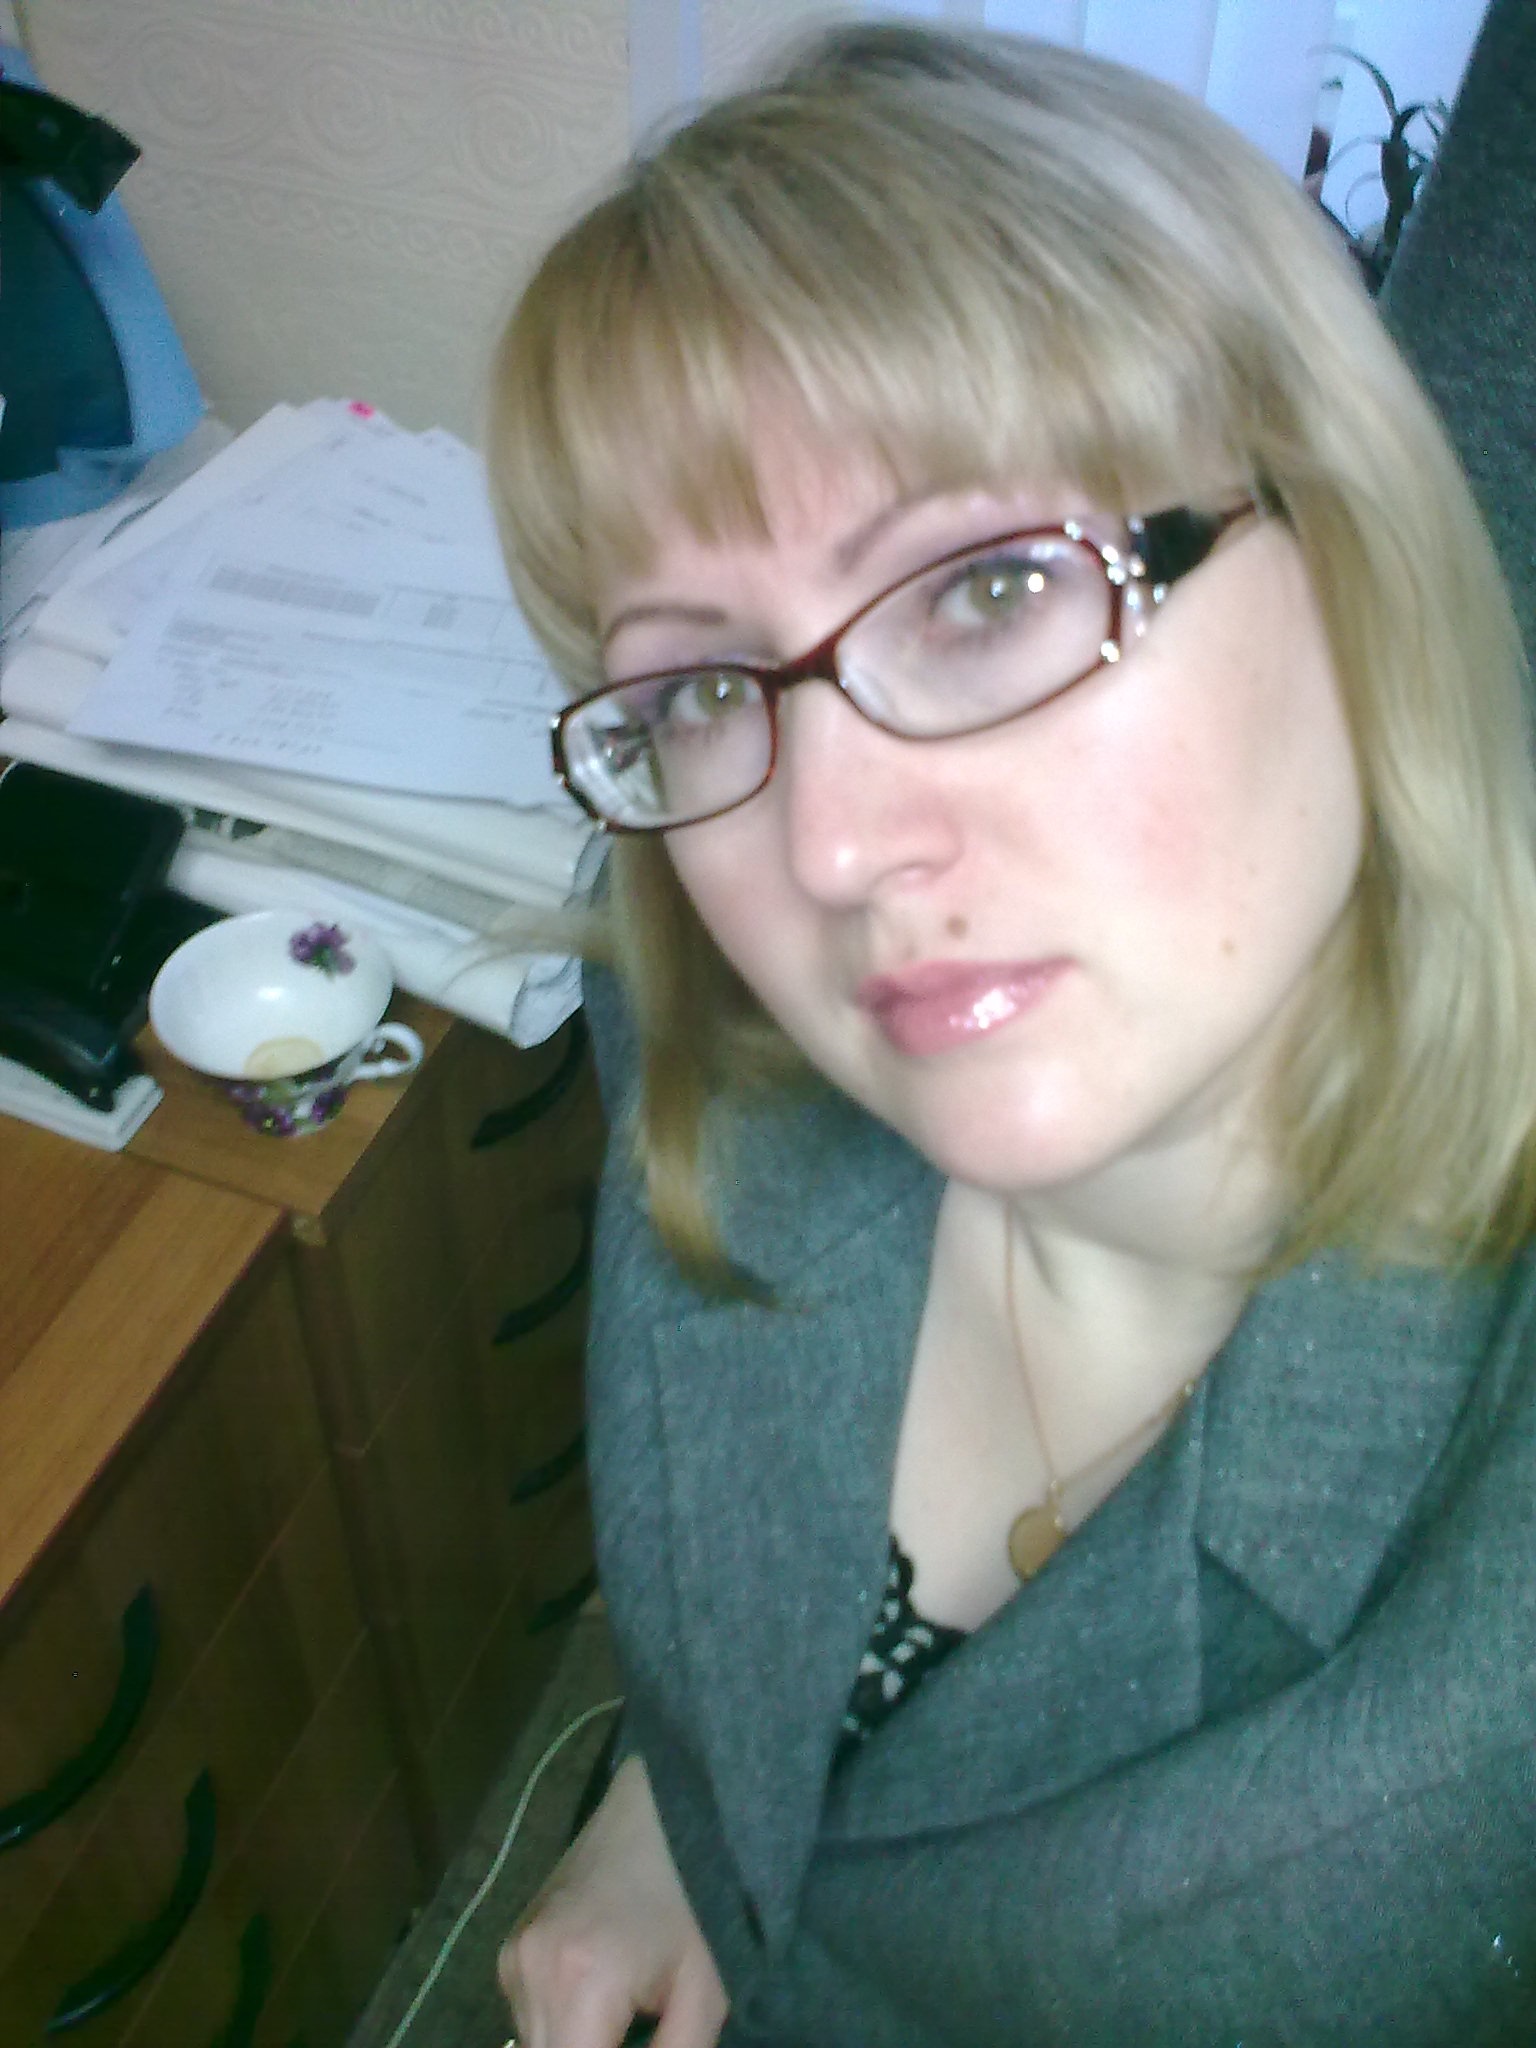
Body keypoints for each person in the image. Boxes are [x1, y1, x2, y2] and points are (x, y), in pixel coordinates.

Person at [488, 20, 1536, 2046]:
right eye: (704, 690)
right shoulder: (687, 1007)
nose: (833, 845)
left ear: (1351, 546)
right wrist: (675, 1809)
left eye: (984, 591)